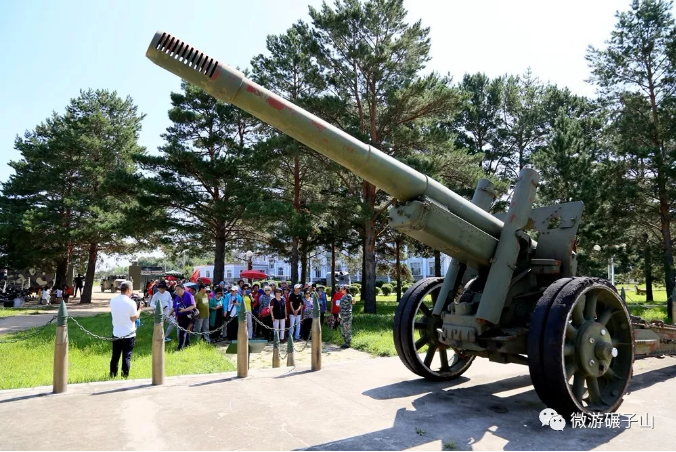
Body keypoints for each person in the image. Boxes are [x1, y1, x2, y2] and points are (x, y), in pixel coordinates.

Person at [109, 281, 143, 378]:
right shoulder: (131, 302)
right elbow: (133, 318)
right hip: (128, 333)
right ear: (128, 290)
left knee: (115, 356)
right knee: (126, 357)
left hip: (116, 332)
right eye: (131, 290)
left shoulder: (113, 300)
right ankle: (124, 376)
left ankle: (112, 375)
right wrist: (140, 309)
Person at [173, 284, 196, 351]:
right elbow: (174, 307)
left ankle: (180, 348)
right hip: (180, 316)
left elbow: (193, 305)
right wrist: (169, 313)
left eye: (178, 290)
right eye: (176, 290)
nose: (177, 291)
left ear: (183, 289)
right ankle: (188, 344)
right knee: (185, 331)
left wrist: (184, 310)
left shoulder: (189, 295)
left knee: (183, 332)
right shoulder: (177, 297)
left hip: (188, 315)